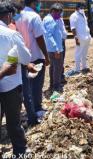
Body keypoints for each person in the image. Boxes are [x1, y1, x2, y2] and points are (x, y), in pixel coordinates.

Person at [0, 1, 33, 156]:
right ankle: (20, 152)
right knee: (13, 122)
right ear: (9, 16)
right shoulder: (11, 34)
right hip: (10, 86)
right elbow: (26, 58)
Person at [16, 0, 50, 119]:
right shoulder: (35, 17)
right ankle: (37, 108)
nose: (39, 4)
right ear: (33, 3)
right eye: (38, 2)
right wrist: (46, 55)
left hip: (25, 58)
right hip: (36, 56)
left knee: (28, 84)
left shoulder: (18, 16)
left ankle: (30, 109)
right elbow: (39, 37)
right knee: (37, 84)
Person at [43, 3, 63, 92]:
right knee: (57, 68)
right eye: (59, 13)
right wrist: (56, 49)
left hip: (53, 49)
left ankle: (53, 85)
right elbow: (48, 36)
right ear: (53, 11)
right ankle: (56, 86)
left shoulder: (51, 19)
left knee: (53, 67)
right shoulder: (50, 20)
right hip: (55, 49)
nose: (60, 15)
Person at [69, 3, 91, 75]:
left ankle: (84, 67)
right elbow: (73, 28)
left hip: (87, 37)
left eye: (83, 7)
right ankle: (77, 70)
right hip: (80, 38)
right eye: (81, 7)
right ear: (77, 8)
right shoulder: (73, 16)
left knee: (84, 53)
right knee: (78, 54)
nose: (83, 9)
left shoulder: (83, 14)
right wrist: (76, 38)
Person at [56, 3, 67, 84]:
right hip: (58, 43)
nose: (61, 13)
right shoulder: (54, 20)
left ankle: (61, 76)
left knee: (62, 60)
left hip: (62, 42)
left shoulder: (60, 19)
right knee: (58, 62)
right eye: (60, 11)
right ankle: (58, 79)